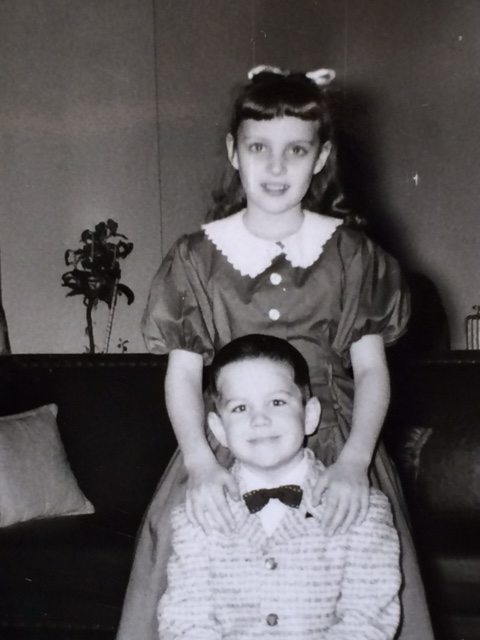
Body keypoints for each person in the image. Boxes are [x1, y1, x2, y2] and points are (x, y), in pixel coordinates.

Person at [116, 65, 433, 640]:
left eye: (296, 149)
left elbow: (371, 370)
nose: (277, 166)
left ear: (321, 157)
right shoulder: (196, 257)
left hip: (335, 447)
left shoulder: (353, 255)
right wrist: (201, 463)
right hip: (226, 450)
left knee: (358, 592)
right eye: (259, 147)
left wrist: (355, 461)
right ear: (233, 152)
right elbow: (182, 376)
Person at [157, 334, 402, 639]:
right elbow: (185, 619)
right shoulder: (197, 515)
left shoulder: (363, 510)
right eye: (240, 408)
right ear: (218, 429)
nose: (259, 419)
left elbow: (367, 621)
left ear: (310, 416)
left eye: (276, 402)